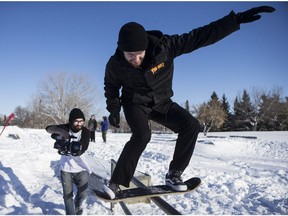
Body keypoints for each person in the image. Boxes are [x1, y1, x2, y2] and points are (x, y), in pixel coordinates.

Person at [102, 6, 275, 199]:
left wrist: (234, 21)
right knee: (142, 135)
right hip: (135, 104)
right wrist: (114, 109)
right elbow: (111, 86)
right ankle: (115, 183)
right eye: (130, 55)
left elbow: (199, 36)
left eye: (140, 53)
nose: (135, 59)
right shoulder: (115, 63)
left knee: (191, 125)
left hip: (162, 102)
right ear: (121, 50)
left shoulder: (165, 46)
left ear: (146, 47)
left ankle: (174, 174)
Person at [46, 108, 90, 214]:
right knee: (67, 196)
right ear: (71, 121)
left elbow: (82, 148)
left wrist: (68, 146)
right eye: (76, 121)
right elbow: (48, 129)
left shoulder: (86, 131)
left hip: (82, 168)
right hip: (66, 168)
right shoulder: (65, 127)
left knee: (83, 193)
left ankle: (78, 204)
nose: (79, 123)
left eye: (81, 121)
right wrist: (61, 132)